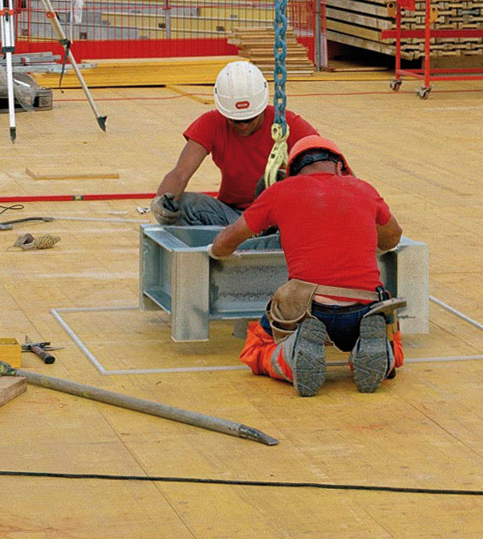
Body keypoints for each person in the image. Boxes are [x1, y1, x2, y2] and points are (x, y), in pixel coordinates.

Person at [213, 136, 404, 395]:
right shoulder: (364, 189)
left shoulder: (281, 191)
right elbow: (393, 238)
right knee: (390, 337)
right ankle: (378, 352)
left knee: (256, 349)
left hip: (309, 308)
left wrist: (216, 250)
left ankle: (293, 356)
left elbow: (225, 243)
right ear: (339, 166)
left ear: (292, 173)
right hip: (364, 307)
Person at [150, 59, 324, 225]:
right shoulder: (211, 123)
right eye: (235, 120)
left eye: (250, 119)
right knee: (182, 205)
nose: (243, 126)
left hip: (276, 217)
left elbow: (327, 165)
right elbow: (180, 173)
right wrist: (161, 202)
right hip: (231, 215)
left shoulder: (288, 124)